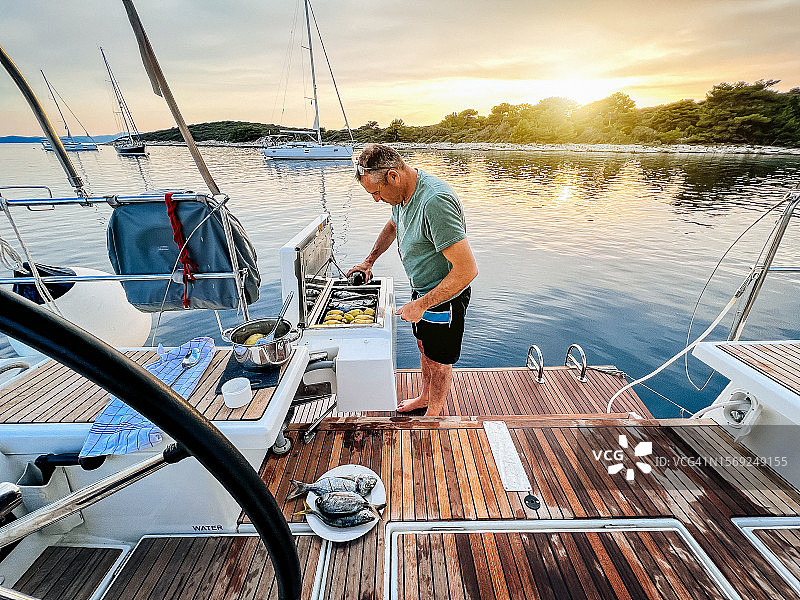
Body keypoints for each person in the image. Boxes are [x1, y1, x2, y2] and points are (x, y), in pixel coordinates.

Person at [348, 144, 478, 416]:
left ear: (393, 176)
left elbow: (467, 270)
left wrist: (422, 305)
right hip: (422, 289)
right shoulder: (401, 196)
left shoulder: (435, 202)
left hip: (445, 296)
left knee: (439, 359)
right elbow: (394, 225)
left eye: (376, 193)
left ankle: (433, 415)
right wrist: (369, 260)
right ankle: (424, 397)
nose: (376, 200)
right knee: (423, 346)